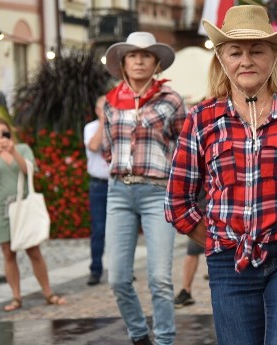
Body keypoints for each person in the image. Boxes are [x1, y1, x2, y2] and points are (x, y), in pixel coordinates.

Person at [165, 5, 277, 345]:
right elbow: (178, 202)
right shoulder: (202, 118)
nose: (246, 61)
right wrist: (219, 240)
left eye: (257, 50)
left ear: (274, 55)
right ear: (221, 58)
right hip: (228, 261)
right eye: (235, 52)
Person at [102, 32, 186, 345]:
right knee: (118, 278)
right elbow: (108, 148)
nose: (139, 60)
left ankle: (164, 340)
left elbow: (185, 146)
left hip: (157, 192)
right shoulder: (111, 102)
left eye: (146, 55)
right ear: (123, 62)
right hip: (119, 191)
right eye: (132, 55)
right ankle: (139, 335)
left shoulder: (172, 100)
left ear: (156, 63)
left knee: (160, 279)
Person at [0, 118, 66, 312]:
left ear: (9, 132)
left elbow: (28, 170)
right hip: (1, 209)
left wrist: (12, 151)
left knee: (33, 250)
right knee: (7, 252)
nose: (0, 136)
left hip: (23, 206)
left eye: (3, 132)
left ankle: (48, 293)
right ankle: (16, 297)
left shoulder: (22, 149)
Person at [84, 95, 109, 286]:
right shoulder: (91, 128)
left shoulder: (118, 125)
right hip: (98, 184)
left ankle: (123, 269)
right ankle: (96, 269)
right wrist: (103, 123)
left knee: (122, 229)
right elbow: (93, 146)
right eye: (103, 108)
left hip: (117, 183)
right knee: (98, 229)